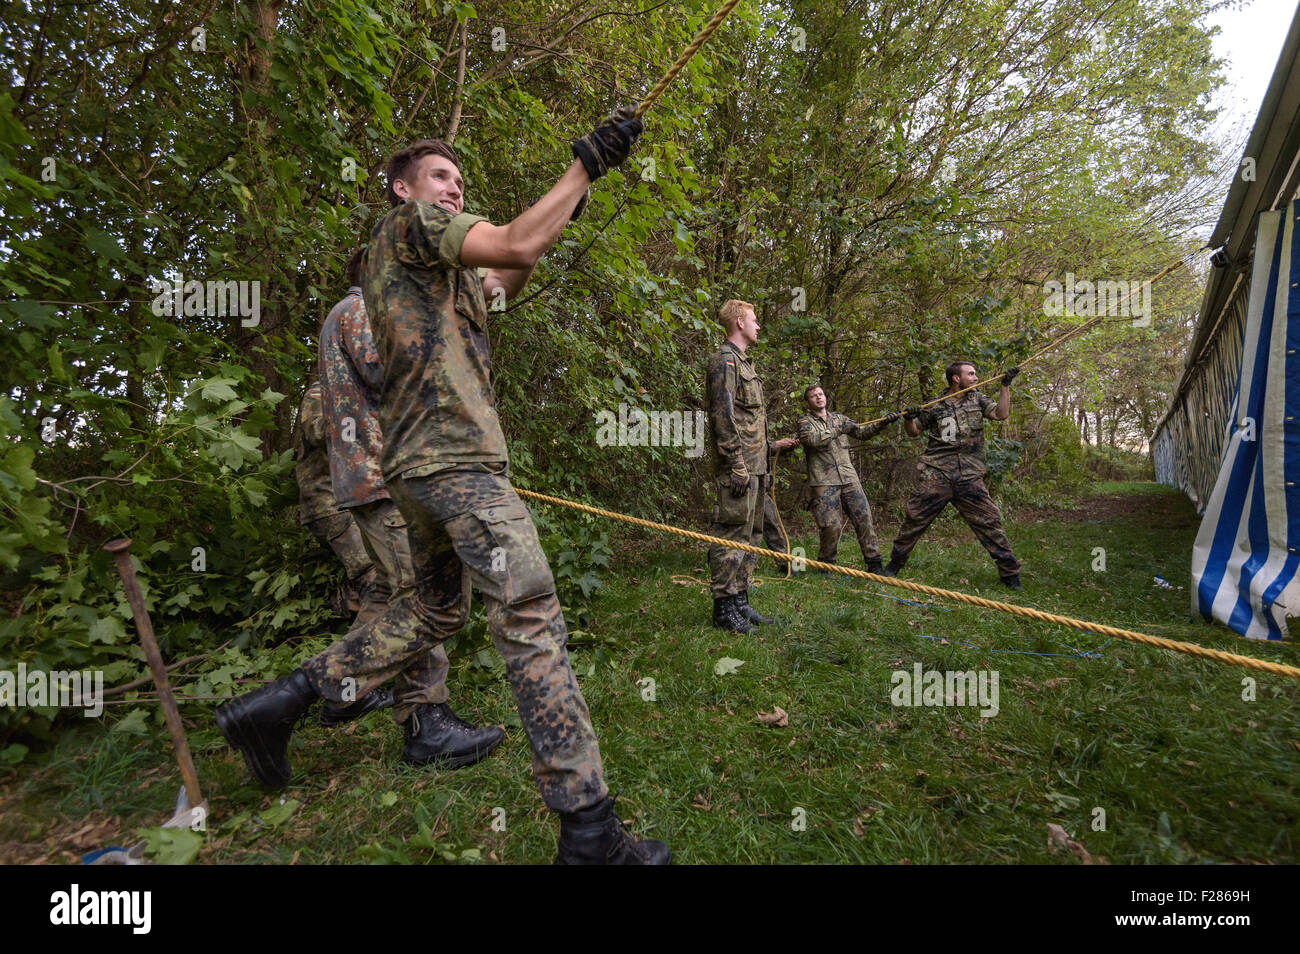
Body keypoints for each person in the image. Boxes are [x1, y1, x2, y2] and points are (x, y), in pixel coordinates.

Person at [217, 112, 667, 864]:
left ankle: (284, 701)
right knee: (527, 614)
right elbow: (518, 239)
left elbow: (511, 268)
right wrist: (584, 164)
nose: (454, 187)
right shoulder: (409, 228)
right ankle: (589, 831)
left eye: (460, 180)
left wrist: (574, 194)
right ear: (403, 189)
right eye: (440, 177)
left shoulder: (438, 278)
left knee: (434, 608)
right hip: (457, 467)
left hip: (419, 474)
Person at [314, 247, 499, 760]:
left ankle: (343, 694)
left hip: (370, 476)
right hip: (384, 475)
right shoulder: (360, 312)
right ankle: (426, 720)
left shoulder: (344, 314)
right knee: (421, 596)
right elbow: (390, 371)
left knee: (387, 589)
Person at [291, 382, 393, 725]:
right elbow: (320, 430)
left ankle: (334, 610)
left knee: (377, 581)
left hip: (353, 503)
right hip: (331, 507)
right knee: (379, 583)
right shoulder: (322, 392)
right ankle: (344, 693)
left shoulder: (360, 395)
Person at [884, 361, 1023, 589]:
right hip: (937, 473)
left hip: (969, 475)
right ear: (956, 378)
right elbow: (914, 431)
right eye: (971, 374)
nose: (976, 378)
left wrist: (1005, 385)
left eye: (975, 374)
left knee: (989, 521)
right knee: (915, 519)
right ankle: (894, 564)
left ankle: (1010, 574)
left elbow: (1001, 414)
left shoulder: (978, 399)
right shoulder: (935, 404)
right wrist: (909, 418)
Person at [705, 299, 797, 634]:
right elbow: (723, 416)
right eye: (755, 321)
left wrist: (761, 463)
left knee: (752, 535)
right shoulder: (724, 360)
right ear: (740, 322)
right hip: (738, 468)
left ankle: (740, 600)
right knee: (731, 535)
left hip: (756, 466)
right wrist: (736, 464)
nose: (759, 326)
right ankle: (723, 608)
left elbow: (751, 420)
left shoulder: (746, 363)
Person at [796, 385, 900, 575]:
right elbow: (812, 440)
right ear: (807, 402)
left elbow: (862, 432)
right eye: (813, 396)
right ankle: (826, 565)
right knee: (831, 526)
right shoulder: (805, 421)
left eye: (821, 394)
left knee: (864, 519)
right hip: (823, 481)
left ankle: (874, 563)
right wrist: (836, 430)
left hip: (849, 478)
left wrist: (884, 423)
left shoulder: (839, 418)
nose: (819, 398)